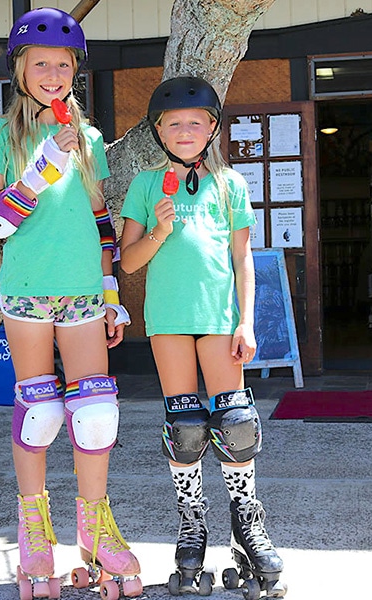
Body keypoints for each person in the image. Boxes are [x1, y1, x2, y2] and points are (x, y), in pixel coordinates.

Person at [0, 7, 142, 599]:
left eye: (63, 64)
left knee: (96, 415)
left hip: (85, 295)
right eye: (40, 62)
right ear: (19, 68)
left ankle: (95, 530)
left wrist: (113, 293)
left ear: (75, 71)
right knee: (40, 412)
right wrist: (43, 169)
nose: (52, 72)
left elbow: (101, 223)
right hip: (26, 290)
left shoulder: (89, 136)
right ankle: (34, 532)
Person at [119, 76, 285, 597]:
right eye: (174, 124)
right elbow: (127, 262)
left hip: (218, 318)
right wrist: (160, 231)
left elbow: (242, 259)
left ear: (212, 127)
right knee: (186, 425)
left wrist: (247, 320)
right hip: (168, 320)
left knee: (235, 423)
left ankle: (248, 525)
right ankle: (191, 525)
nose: (185, 131)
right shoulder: (146, 185)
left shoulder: (230, 184)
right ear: (159, 131)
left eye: (196, 122)